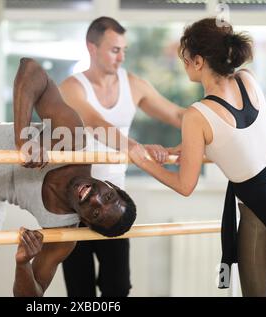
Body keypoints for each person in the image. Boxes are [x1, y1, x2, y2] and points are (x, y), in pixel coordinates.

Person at [0, 58, 138, 297]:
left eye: (96, 212)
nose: (95, 199)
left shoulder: (63, 234)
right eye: (108, 195)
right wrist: (22, 139)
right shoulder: (72, 140)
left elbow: (31, 298)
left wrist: (23, 264)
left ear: (87, 222)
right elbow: (31, 69)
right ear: (109, 184)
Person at [129, 17, 266, 296]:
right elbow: (242, 138)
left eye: (184, 58)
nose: (183, 64)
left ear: (198, 61)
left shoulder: (197, 115)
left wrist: (142, 160)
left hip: (262, 207)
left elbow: (185, 186)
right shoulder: (247, 79)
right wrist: (191, 147)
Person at [58, 16, 185, 297]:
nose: (121, 56)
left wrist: (215, 124)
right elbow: (93, 122)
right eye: (115, 49)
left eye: (124, 50)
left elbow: (177, 114)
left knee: (117, 288)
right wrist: (135, 148)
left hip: (113, 206)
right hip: (74, 205)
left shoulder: (134, 85)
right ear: (92, 48)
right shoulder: (72, 87)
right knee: (80, 293)